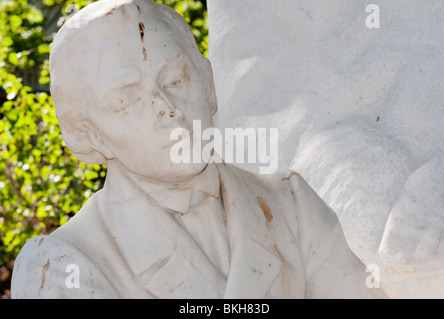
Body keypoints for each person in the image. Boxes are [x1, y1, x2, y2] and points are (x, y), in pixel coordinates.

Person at [11, 0, 386, 299]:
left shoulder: (292, 205)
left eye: (175, 78)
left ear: (208, 82)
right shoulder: (64, 264)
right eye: (127, 101)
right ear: (89, 136)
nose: (167, 108)